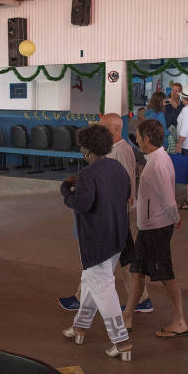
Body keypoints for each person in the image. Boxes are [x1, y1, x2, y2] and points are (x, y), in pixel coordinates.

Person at [58, 113, 154, 314]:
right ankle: (141, 298)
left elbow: (123, 184)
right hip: (115, 210)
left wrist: (70, 190)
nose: (99, 132)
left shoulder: (121, 152)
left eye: (103, 128)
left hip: (112, 211)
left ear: (116, 130)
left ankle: (85, 300)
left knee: (100, 262)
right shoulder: (116, 150)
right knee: (125, 256)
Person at [60, 125, 133, 361]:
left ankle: (121, 342)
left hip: (97, 240)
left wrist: (66, 191)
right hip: (117, 237)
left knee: (102, 286)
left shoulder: (88, 175)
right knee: (90, 281)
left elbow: (82, 204)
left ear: (86, 149)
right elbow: (125, 195)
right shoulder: (117, 168)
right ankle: (80, 327)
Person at [124, 119, 188, 339]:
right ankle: (127, 316)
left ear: (147, 139)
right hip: (148, 227)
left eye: (139, 137)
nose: (137, 140)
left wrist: (175, 218)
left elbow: (168, 198)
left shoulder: (158, 163)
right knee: (137, 272)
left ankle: (179, 321)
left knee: (165, 275)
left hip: (156, 228)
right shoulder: (156, 158)